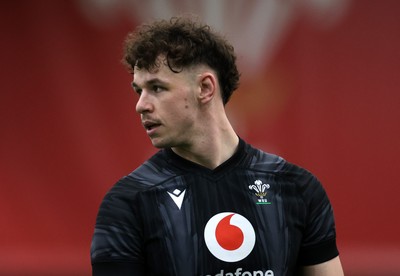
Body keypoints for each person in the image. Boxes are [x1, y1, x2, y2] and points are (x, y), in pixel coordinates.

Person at [90, 15, 344, 276]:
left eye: (157, 87)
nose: (141, 105)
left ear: (205, 87)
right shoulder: (127, 202)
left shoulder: (297, 188)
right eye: (138, 90)